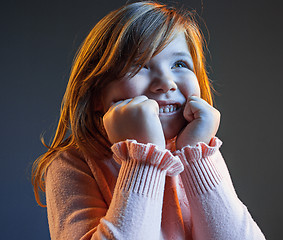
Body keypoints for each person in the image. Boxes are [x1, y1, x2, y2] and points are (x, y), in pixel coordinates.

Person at [32, 1, 266, 239]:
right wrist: (144, 156)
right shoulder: (72, 165)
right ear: (96, 95)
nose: (167, 83)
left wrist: (196, 155)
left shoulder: (198, 153)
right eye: (140, 65)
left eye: (179, 64)